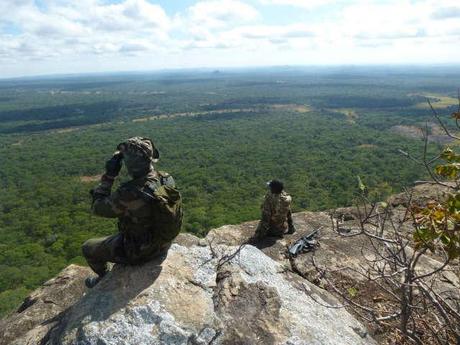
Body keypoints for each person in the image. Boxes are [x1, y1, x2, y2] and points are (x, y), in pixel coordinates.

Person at [82, 137, 182, 288]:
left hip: (139, 251)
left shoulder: (129, 193)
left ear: (129, 164)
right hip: (163, 243)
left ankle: (104, 278)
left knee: (88, 248)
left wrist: (109, 177)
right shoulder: (166, 179)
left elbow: (97, 208)